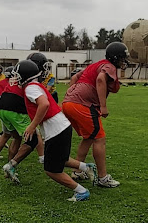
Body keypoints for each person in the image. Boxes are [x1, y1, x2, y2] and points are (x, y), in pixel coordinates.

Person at [12, 60, 97, 201]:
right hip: (61, 126)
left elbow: (44, 104)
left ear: (25, 75)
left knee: (51, 170)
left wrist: (32, 126)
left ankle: (81, 191)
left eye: (18, 75)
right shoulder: (35, 85)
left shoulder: (30, 88)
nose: (15, 79)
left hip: (56, 129)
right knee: (60, 159)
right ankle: (86, 167)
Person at [62, 42, 128, 188]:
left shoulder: (96, 64)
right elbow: (100, 79)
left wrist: (73, 94)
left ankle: (78, 171)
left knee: (89, 137)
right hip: (82, 105)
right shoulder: (109, 66)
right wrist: (103, 106)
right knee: (99, 139)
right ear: (116, 57)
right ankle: (103, 178)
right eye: (123, 58)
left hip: (69, 103)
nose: (124, 61)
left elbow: (74, 78)